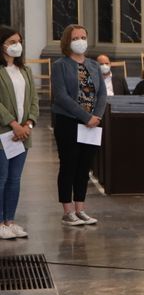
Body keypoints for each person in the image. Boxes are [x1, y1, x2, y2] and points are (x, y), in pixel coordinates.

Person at [51, 25, 106, 226]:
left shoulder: (93, 65)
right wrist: (85, 116)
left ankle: (80, 208)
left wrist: (96, 116)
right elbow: (61, 96)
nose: (81, 40)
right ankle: (67, 211)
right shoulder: (60, 65)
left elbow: (102, 94)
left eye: (83, 37)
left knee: (84, 167)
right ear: (67, 41)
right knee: (69, 165)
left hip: (92, 124)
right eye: (76, 38)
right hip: (69, 121)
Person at [0, 27, 38, 239]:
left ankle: (10, 221)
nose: (17, 45)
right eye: (12, 41)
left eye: (19, 41)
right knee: (1, 178)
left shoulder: (26, 71)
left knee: (15, 179)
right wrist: (13, 124)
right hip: (4, 134)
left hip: (23, 135)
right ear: (2, 45)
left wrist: (28, 125)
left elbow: (33, 101)